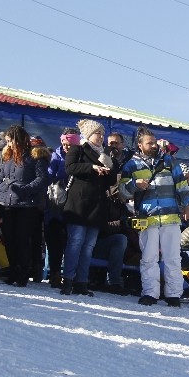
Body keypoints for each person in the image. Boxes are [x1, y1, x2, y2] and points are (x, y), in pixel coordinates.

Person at [120, 127, 189, 306]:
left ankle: (174, 294)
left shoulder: (169, 161)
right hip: (147, 218)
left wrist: (188, 204)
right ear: (140, 145)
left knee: (173, 257)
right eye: (149, 143)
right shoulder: (131, 165)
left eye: (154, 142)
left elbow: (181, 184)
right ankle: (150, 293)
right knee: (149, 257)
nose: (153, 145)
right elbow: (122, 192)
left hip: (171, 217)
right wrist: (134, 184)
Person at [58, 119, 118, 296]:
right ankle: (68, 279)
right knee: (75, 243)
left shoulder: (105, 153)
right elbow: (70, 168)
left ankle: (81, 282)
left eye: (102, 133)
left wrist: (109, 167)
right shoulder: (78, 148)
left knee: (89, 246)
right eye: (97, 133)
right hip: (79, 204)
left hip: (97, 206)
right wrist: (91, 167)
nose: (101, 137)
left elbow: (112, 181)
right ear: (88, 134)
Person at [0, 125, 48, 288]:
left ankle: (23, 274)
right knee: (9, 239)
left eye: (11, 141)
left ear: (18, 140)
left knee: (22, 240)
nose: (8, 144)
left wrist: (25, 190)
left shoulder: (35, 156)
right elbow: (0, 177)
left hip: (26, 205)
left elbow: (42, 178)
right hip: (7, 203)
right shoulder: (7, 156)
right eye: (7, 141)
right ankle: (12, 271)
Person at [44, 127, 79, 288]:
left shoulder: (81, 156)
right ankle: (55, 273)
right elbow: (48, 177)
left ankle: (71, 275)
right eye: (64, 143)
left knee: (72, 242)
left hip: (75, 205)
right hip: (56, 206)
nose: (66, 147)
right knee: (55, 241)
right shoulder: (55, 156)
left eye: (70, 144)